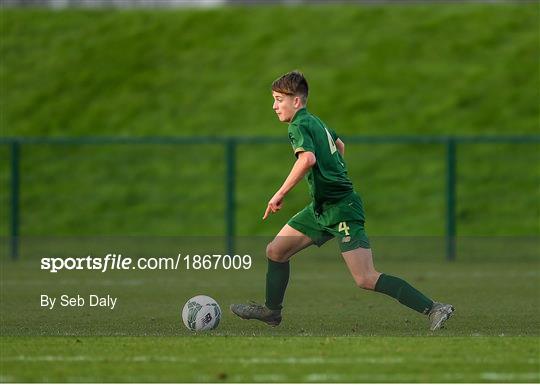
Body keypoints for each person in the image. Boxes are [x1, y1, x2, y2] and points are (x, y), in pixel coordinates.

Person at [230, 70, 454, 331]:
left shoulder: (298, 125)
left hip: (342, 209)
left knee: (366, 278)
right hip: (320, 208)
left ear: (296, 101)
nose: (275, 106)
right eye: (274, 99)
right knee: (275, 251)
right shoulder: (315, 121)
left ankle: (435, 308)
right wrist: (334, 175)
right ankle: (271, 312)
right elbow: (340, 144)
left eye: (279, 99)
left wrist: (279, 194)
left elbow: (308, 159)